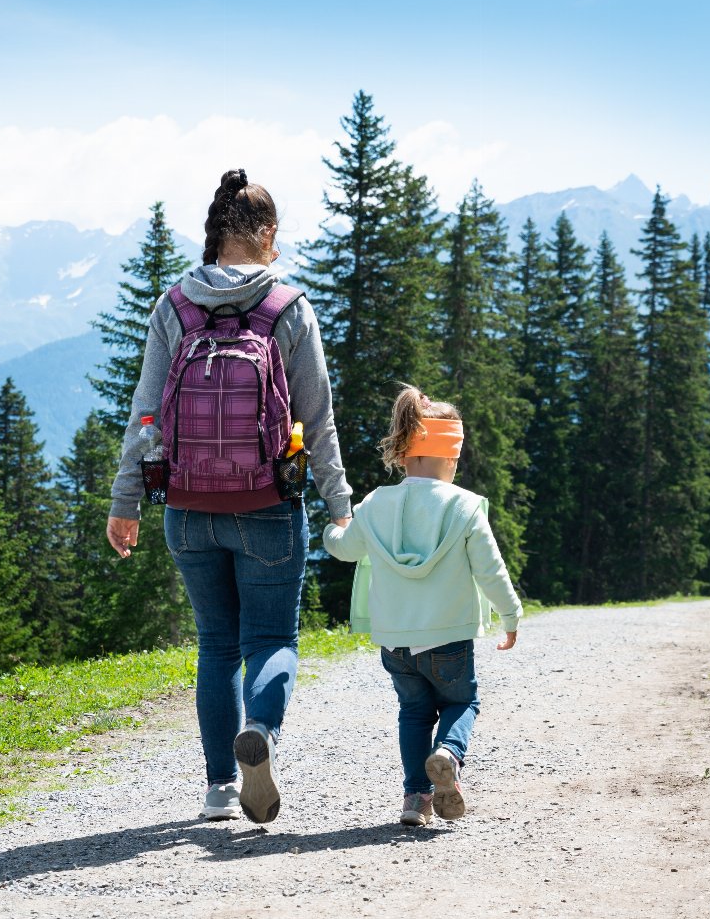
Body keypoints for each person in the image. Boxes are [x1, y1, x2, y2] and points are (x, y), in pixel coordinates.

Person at [106, 169, 352, 825]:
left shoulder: (173, 307)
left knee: (216, 642)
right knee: (270, 634)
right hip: (268, 504)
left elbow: (146, 415)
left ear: (214, 235)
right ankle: (261, 734)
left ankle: (219, 787)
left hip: (187, 508)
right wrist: (339, 504)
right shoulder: (289, 308)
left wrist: (124, 502)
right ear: (267, 235)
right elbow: (318, 417)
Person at [323, 386, 522, 826]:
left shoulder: (375, 504)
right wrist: (510, 615)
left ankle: (416, 801)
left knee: (413, 712)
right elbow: (491, 569)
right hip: (449, 636)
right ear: (450, 458)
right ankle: (449, 754)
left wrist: (333, 530)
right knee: (462, 703)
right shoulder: (466, 507)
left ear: (404, 451)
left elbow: (344, 548)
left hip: (395, 639)